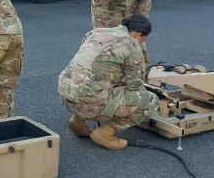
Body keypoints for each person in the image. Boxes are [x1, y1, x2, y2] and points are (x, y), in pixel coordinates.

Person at [58, 14, 159, 150]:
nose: (141, 42)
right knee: (150, 100)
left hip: (65, 94)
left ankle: (77, 121)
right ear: (138, 35)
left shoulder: (97, 32)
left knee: (92, 82)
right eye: (143, 39)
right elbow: (134, 85)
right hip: (88, 103)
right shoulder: (132, 44)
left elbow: (89, 66)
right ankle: (105, 134)